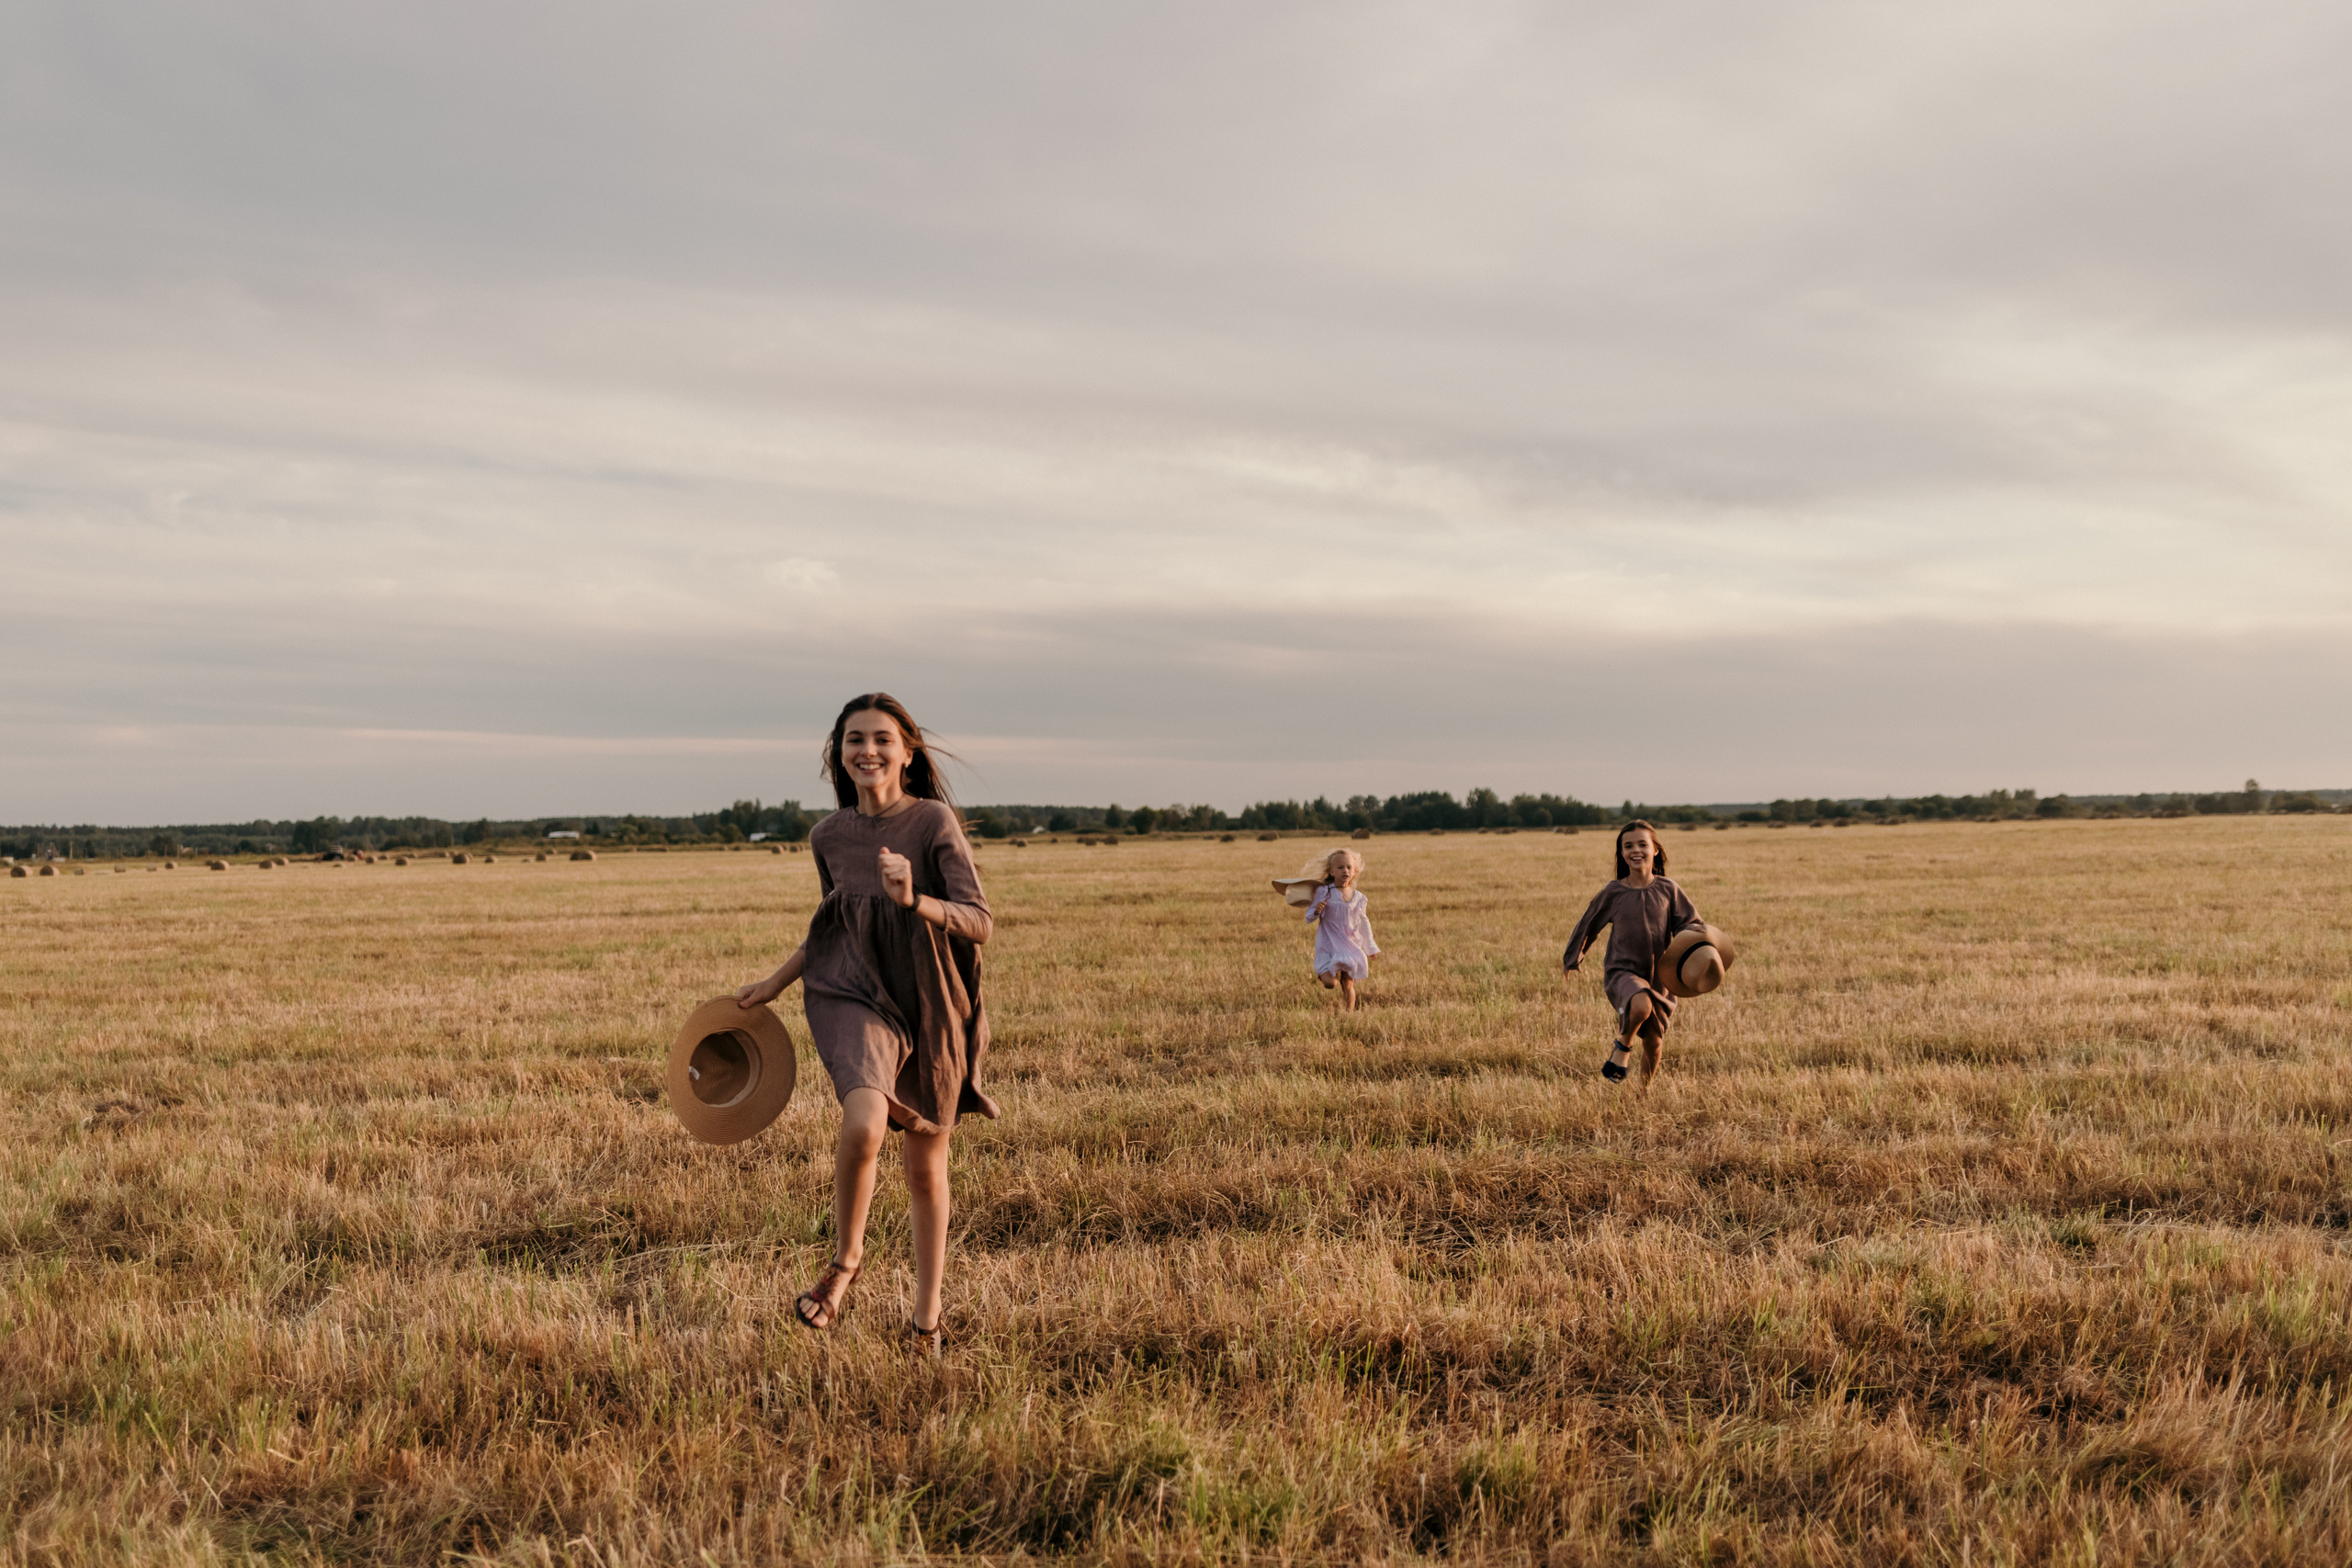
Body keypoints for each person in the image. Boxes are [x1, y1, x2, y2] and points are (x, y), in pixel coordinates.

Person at [734, 693, 996, 1355]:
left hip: (930, 1001)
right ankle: (844, 1265)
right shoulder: (828, 837)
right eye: (855, 739)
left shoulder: (932, 822)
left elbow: (980, 921)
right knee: (862, 1123)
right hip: (852, 992)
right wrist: (774, 982)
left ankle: (926, 1321)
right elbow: (833, 924)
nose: (868, 750)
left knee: (925, 1172)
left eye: (882, 738)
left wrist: (916, 899)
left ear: (907, 751)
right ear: (838, 753)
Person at [1562, 819, 1704, 1091]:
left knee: (1654, 1043)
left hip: (1659, 976)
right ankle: (1623, 1046)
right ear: (1622, 853)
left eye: (1642, 844)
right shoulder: (1614, 892)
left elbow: (1690, 924)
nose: (1635, 850)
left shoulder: (1668, 889)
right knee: (1640, 1006)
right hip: (1622, 971)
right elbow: (1588, 924)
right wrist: (1573, 957)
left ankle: (1643, 1093)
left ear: (1656, 851)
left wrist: (1701, 948)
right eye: (1628, 846)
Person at [1305, 848, 1379, 1011]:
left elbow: (1364, 923)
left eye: (1349, 867)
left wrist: (1370, 947)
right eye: (1340, 868)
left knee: (1348, 985)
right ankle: (1331, 971)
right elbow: (1308, 917)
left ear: (1354, 872)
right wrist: (1317, 910)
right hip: (1329, 945)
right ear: (1331, 871)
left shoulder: (1359, 898)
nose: (1345, 870)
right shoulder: (1324, 892)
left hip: (1350, 946)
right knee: (1331, 984)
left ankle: (1349, 1015)